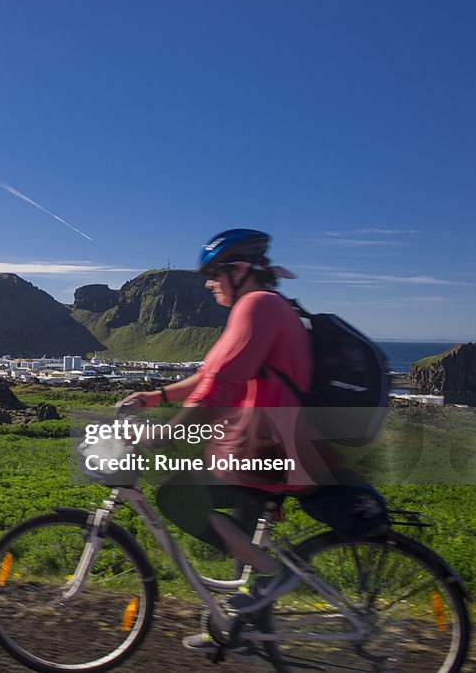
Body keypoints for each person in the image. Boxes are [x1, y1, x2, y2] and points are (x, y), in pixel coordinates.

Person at [122, 228, 324, 661]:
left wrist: (165, 434)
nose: (208, 283)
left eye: (214, 274)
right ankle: (239, 631)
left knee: (176, 495)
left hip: (266, 449)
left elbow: (221, 389)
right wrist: (156, 398)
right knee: (243, 540)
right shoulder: (263, 307)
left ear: (239, 269)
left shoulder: (258, 306)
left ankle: (275, 575)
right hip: (261, 445)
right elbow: (209, 376)